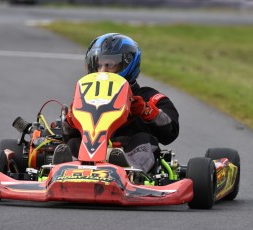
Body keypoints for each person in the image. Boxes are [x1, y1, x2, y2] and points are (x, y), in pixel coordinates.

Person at [53, 33, 179, 173]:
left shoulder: (150, 97)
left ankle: (128, 169)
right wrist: (71, 121)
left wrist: (146, 111)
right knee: (72, 143)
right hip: (89, 152)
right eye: (98, 65)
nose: (102, 70)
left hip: (129, 149)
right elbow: (66, 135)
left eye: (110, 65)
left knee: (145, 140)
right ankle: (66, 171)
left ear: (128, 65)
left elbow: (170, 131)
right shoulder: (85, 96)